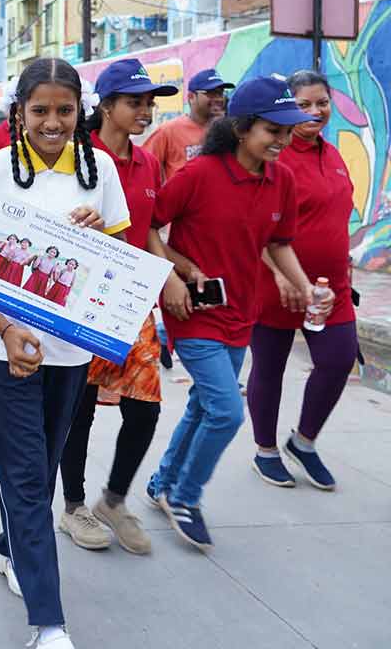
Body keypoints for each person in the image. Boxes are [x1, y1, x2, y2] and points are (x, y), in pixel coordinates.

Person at [0, 56, 131, 649]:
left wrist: (100, 235)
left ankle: (11, 547)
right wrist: (6, 329)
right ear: (19, 112)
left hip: (71, 351)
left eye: (64, 110)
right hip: (5, 348)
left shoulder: (100, 170)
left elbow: (121, 255)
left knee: (45, 463)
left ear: (81, 110)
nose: (52, 122)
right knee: (28, 477)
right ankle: (48, 622)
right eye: (40, 111)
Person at [145, 76, 328, 551]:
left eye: (287, 131)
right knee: (226, 412)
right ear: (242, 128)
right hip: (195, 311)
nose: (282, 140)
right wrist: (175, 272)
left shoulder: (281, 180)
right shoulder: (199, 174)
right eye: (272, 130)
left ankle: (162, 481)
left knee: (203, 405)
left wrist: (306, 288)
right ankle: (185, 497)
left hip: (243, 313)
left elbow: (279, 243)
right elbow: (149, 225)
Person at [57, 59, 175, 555]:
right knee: (79, 409)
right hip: (81, 299)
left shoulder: (148, 162)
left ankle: (114, 499)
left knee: (145, 408)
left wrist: (167, 276)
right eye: (134, 102)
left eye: (149, 103)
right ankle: (73, 506)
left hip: (132, 301)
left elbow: (149, 228)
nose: (145, 111)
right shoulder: (76, 155)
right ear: (105, 106)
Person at [246, 70, 357, 491]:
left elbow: (335, 217)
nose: (315, 111)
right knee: (269, 368)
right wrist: (280, 275)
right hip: (275, 285)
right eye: (304, 104)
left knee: (338, 360)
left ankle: (304, 442)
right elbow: (252, 226)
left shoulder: (334, 154)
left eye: (322, 102)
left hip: (331, 288)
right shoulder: (274, 156)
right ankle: (265, 451)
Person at [143, 68, 235, 180]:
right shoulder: (169, 130)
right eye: (211, 93)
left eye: (220, 93)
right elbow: (145, 166)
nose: (218, 99)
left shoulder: (228, 130)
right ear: (191, 97)